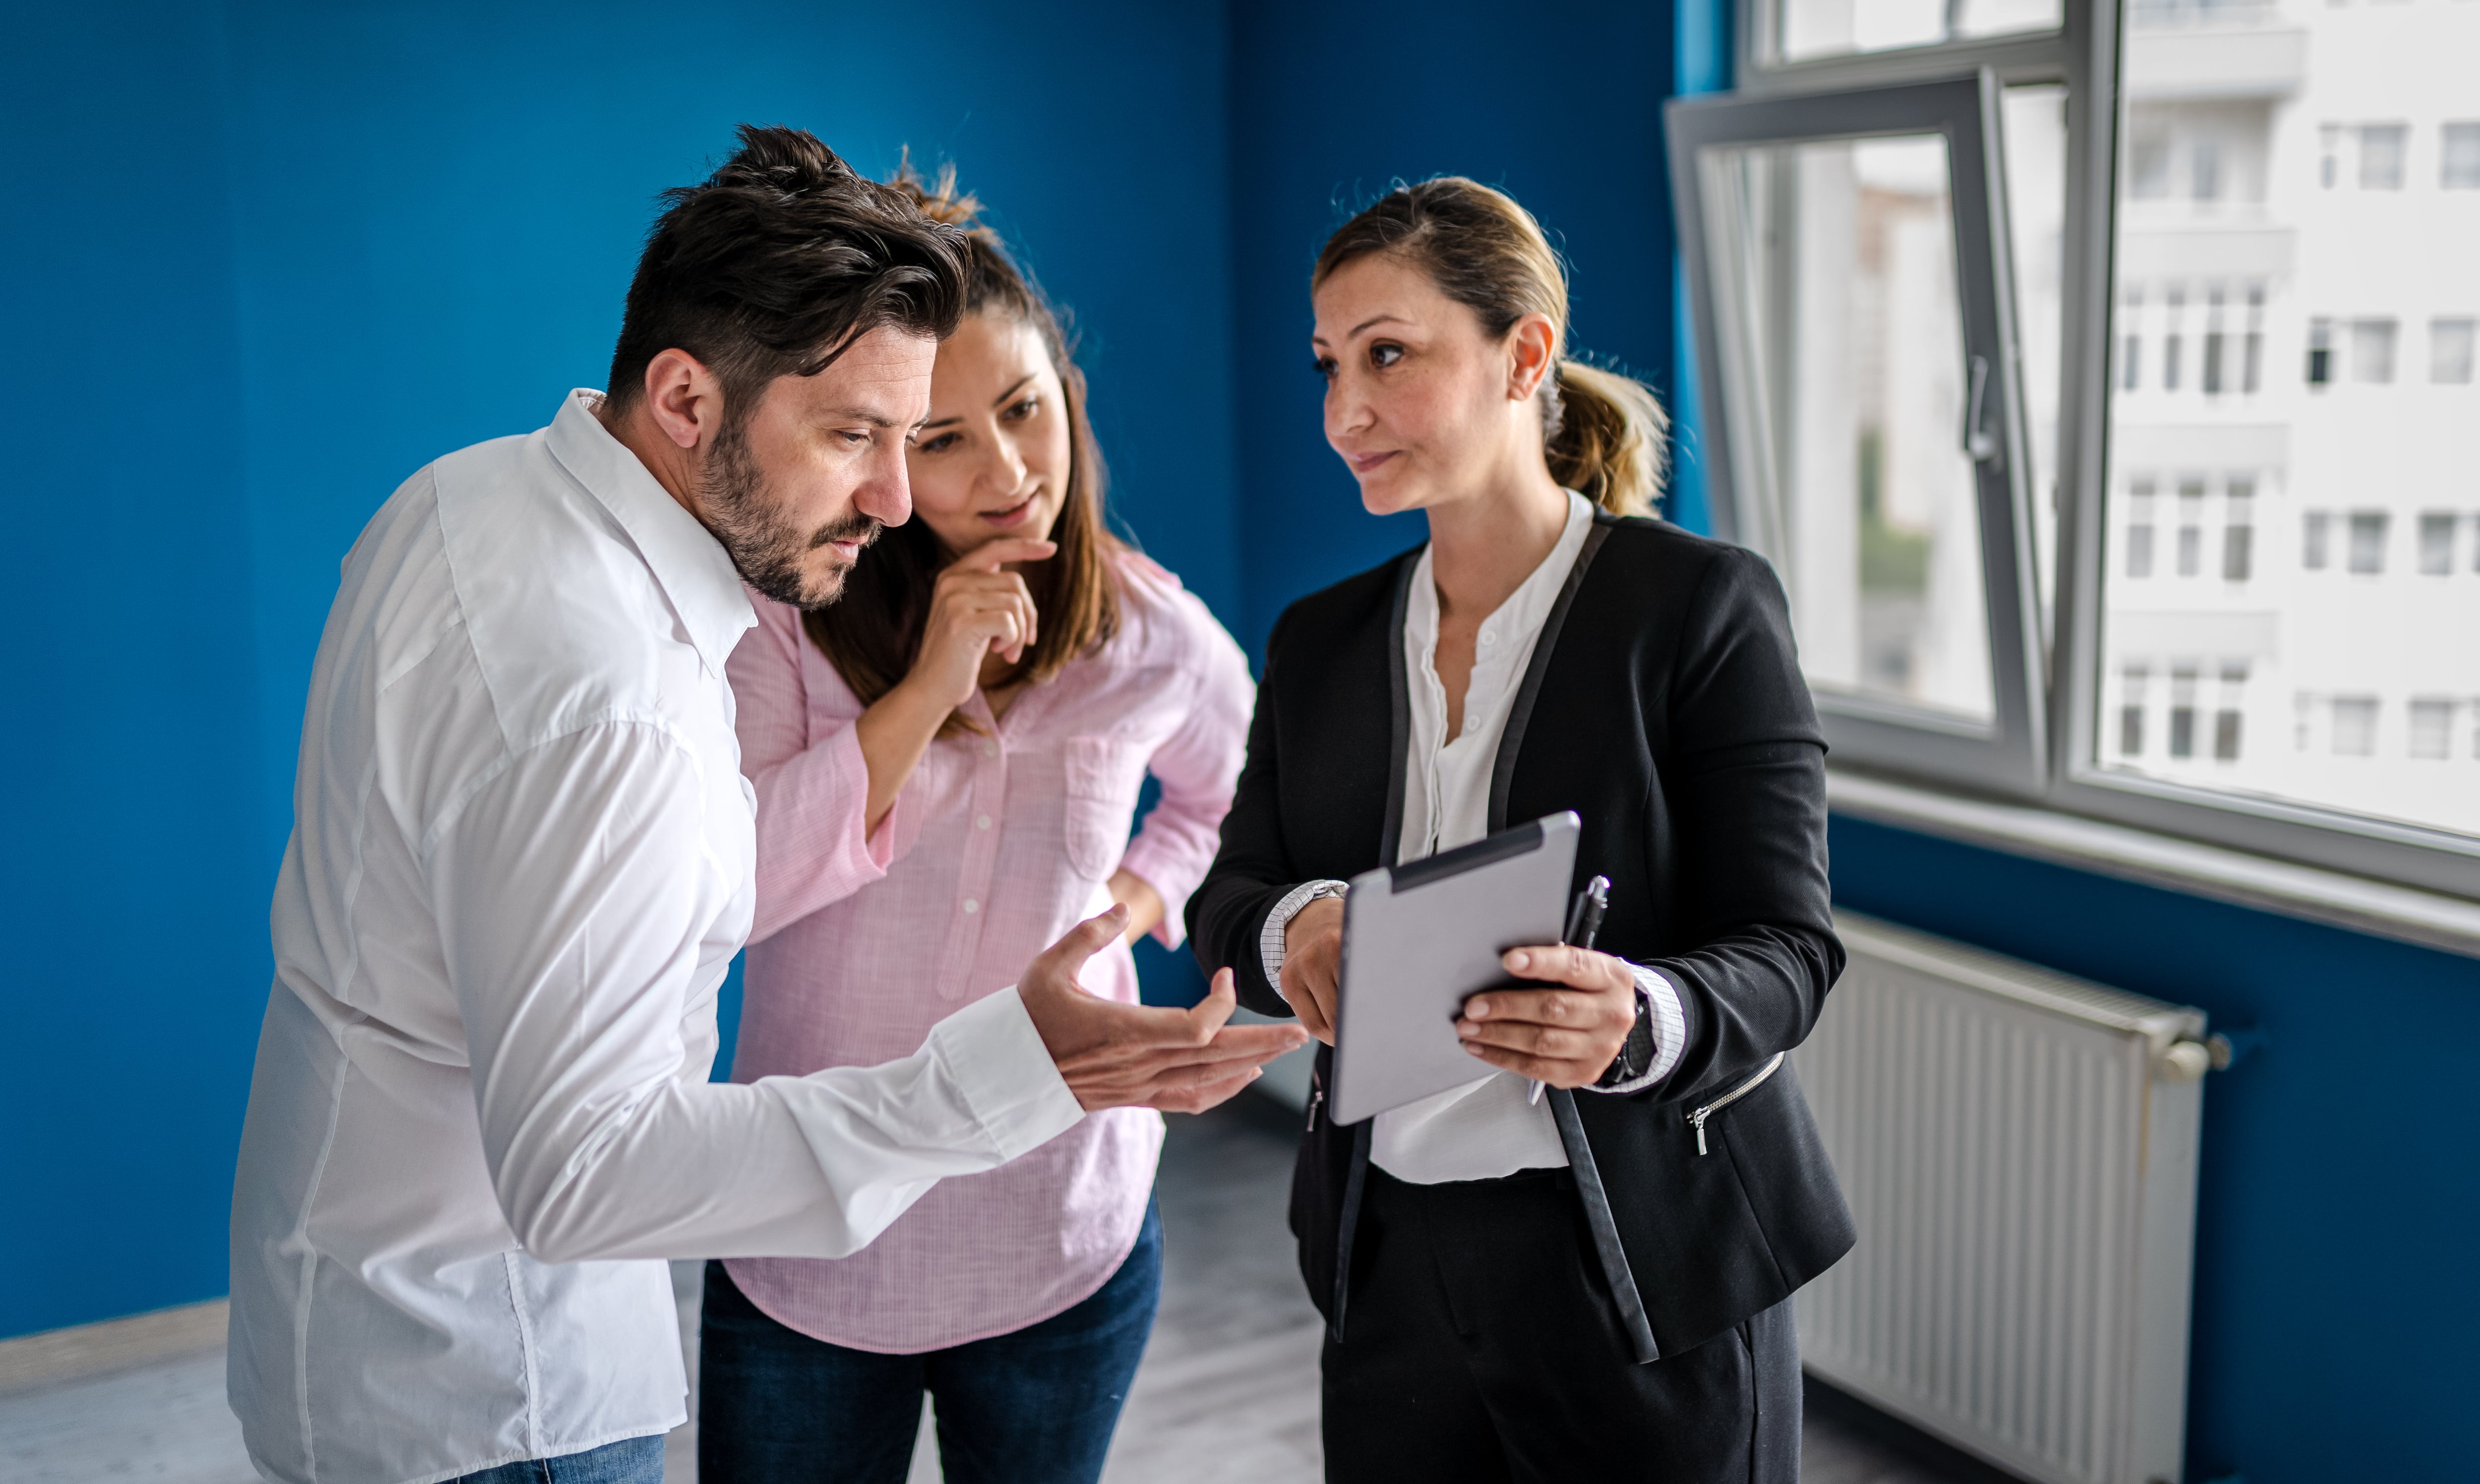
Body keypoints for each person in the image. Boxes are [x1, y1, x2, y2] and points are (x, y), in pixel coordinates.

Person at [226, 126, 1305, 1484]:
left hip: (368, 1316)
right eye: (860, 435)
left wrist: (1134, 901)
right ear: (685, 402)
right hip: (497, 1384)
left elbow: (657, 890)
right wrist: (1015, 1068)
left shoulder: (457, 499)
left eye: (917, 437)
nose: (899, 496)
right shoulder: (623, 699)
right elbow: (586, 1174)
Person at [1189, 178, 1855, 1484]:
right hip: (1386, 1258)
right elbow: (1232, 890)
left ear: (1525, 354)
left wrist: (1644, 1017)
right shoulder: (1318, 642)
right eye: (1329, 366)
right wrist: (1290, 927)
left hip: (1642, 1265)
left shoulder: (1700, 609)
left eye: (1389, 355)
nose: (1342, 413)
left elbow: (1789, 947)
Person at [694, 167, 1256, 1484]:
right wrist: (926, 691)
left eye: (1025, 411)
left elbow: (1233, 794)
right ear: (879, 451)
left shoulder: (1149, 632)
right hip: (813, 1228)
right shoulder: (784, 624)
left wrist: (1122, 908)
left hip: (1061, 1224)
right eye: (942, 439)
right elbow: (739, 886)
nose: (1010, 474)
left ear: (1067, 392)